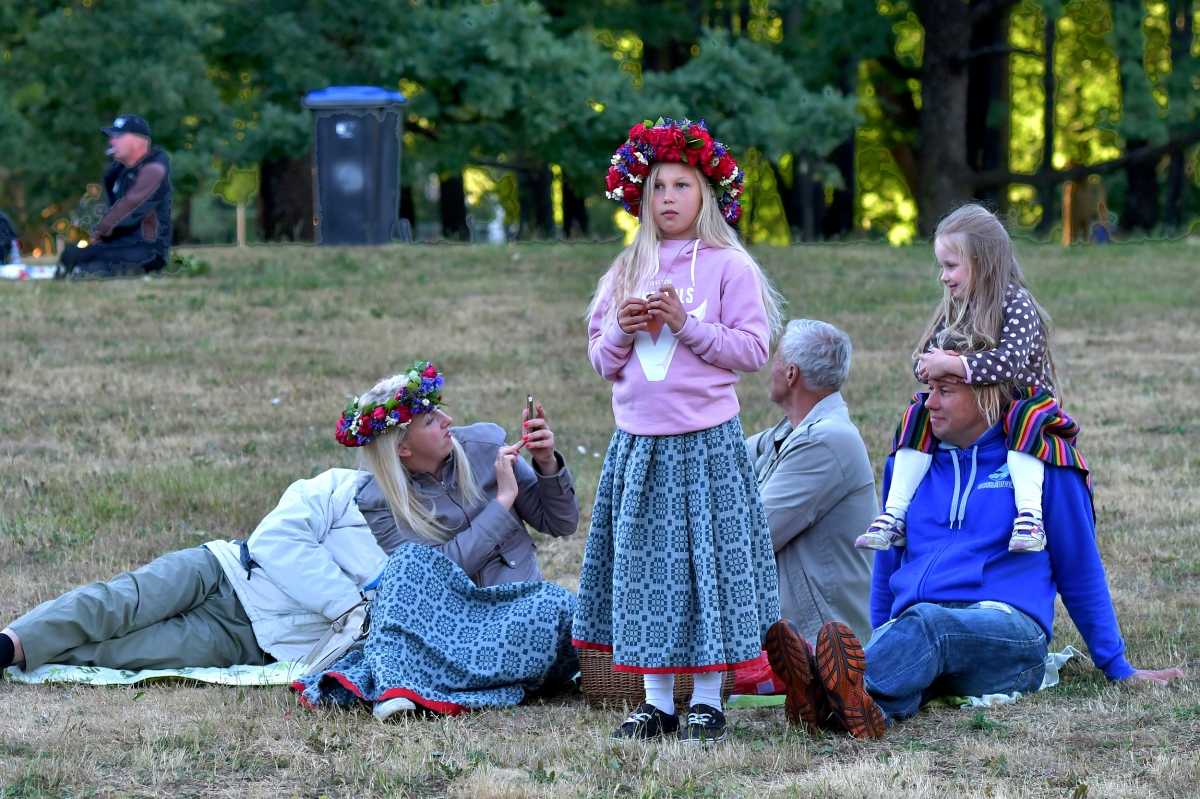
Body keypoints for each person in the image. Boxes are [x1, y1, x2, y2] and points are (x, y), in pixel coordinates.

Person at [1, 362, 579, 715]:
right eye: (431, 418)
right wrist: (350, 609)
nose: (449, 423)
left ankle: (33, 654)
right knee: (119, 600)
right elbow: (275, 541)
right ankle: (10, 644)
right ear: (400, 448)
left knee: (127, 653)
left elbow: (528, 533)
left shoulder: (449, 521)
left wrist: (538, 470)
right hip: (227, 571)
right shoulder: (348, 491)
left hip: (263, 635)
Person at [767, 376, 1186, 739]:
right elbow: (888, 568)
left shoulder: (1045, 463)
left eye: (946, 391)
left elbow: (1080, 569)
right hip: (921, 631)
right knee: (918, 651)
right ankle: (847, 708)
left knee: (930, 626)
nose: (929, 402)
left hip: (1010, 633)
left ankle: (824, 692)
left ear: (987, 396)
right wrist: (883, 634)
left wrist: (1116, 665)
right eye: (930, 389)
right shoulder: (911, 464)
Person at [573, 118, 784, 745]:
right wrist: (623, 328)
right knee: (646, 572)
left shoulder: (728, 265)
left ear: (706, 194)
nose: (668, 197)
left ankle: (709, 701)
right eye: (658, 186)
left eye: (681, 185)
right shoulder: (626, 269)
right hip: (639, 446)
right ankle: (656, 702)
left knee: (705, 568)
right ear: (641, 195)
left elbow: (753, 350)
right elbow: (601, 359)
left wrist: (686, 326)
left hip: (705, 444)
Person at [857, 203, 1079, 555]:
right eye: (942, 266)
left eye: (951, 266)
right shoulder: (955, 306)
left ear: (983, 262)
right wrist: (932, 366)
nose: (943, 277)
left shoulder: (1016, 303)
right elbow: (923, 360)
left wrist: (955, 364)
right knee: (919, 412)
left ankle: (1029, 517)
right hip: (976, 406)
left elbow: (1008, 363)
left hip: (1025, 402)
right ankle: (894, 513)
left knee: (1024, 417)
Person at [747, 319, 875, 649]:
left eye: (776, 360)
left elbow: (752, 536)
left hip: (823, 646)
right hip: (792, 633)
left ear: (791, 374)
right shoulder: (791, 432)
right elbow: (722, 459)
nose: (770, 368)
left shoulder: (825, 442)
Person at [57, 115, 172, 279]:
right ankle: (74, 271)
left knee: (95, 268)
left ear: (138, 141)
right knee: (71, 254)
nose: (112, 142)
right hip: (119, 244)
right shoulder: (121, 172)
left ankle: (88, 272)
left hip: (147, 249)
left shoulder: (153, 170)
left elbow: (131, 205)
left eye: (118, 136)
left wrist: (99, 231)